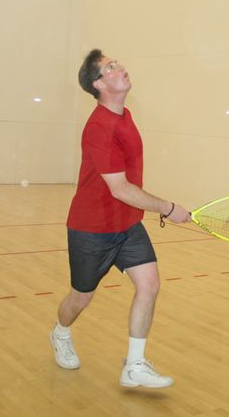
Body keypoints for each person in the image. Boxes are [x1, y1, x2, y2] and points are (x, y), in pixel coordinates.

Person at [49, 49, 190, 388]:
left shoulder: (124, 115)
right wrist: (168, 208)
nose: (121, 67)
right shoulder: (99, 127)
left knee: (149, 285)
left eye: (118, 63)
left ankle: (135, 365)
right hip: (91, 229)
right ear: (98, 83)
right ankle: (60, 333)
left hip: (126, 226)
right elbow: (120, 188)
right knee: (81, 298)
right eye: (111, 67)